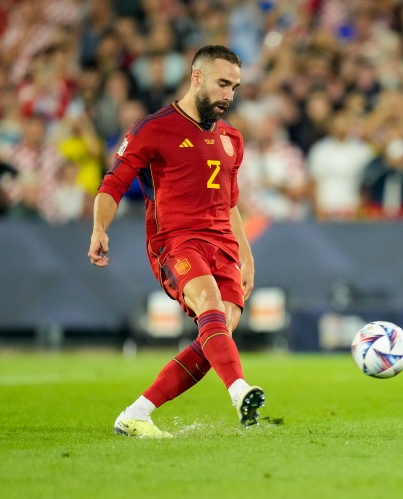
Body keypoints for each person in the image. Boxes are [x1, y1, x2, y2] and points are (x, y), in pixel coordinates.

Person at [87, 45, 265, 438]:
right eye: (222, 84)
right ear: (197, 77)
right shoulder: (153, 129)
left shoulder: (232, 138)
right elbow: (113, 184)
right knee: (210, 305)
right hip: (176, 241)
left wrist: (247, 256)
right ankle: (240, 391)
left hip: (224, 247)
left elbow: (230, 204)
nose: (228, 96)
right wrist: (100, 228)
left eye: (234, 87)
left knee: (217, 333)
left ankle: (136, 413)